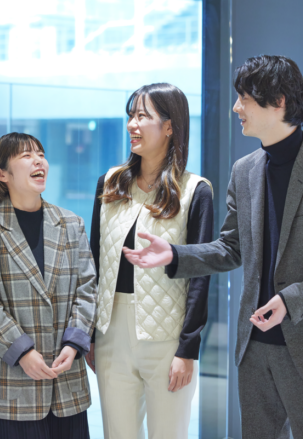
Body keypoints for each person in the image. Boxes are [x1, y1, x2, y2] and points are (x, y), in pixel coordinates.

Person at [123, 55, 303, 439]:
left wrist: (292, 300)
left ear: (279, 102)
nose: (236, 107)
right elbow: (231, 248)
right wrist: (176, 254)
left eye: (244, 98)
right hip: (254, 348)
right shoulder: (244, 170)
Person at [85, 83, 214, 439]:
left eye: (143, 116)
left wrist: (188, 349)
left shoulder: (195, 191)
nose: (132, 124)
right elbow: (94, 262)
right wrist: (90, 334)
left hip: (168, 338)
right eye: (131, 116)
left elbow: (200, 276)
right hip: (111, 334)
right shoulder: (109, 183)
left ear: (169, 126)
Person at [0, 132, 97, 439]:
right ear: (2, 174)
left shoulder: (71, 224)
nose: (38, 161)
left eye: (41, 154)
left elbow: (88, 288)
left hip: (66, 381)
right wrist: (22, 352)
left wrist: (74, 344)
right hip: (11, 383)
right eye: (26, 156)